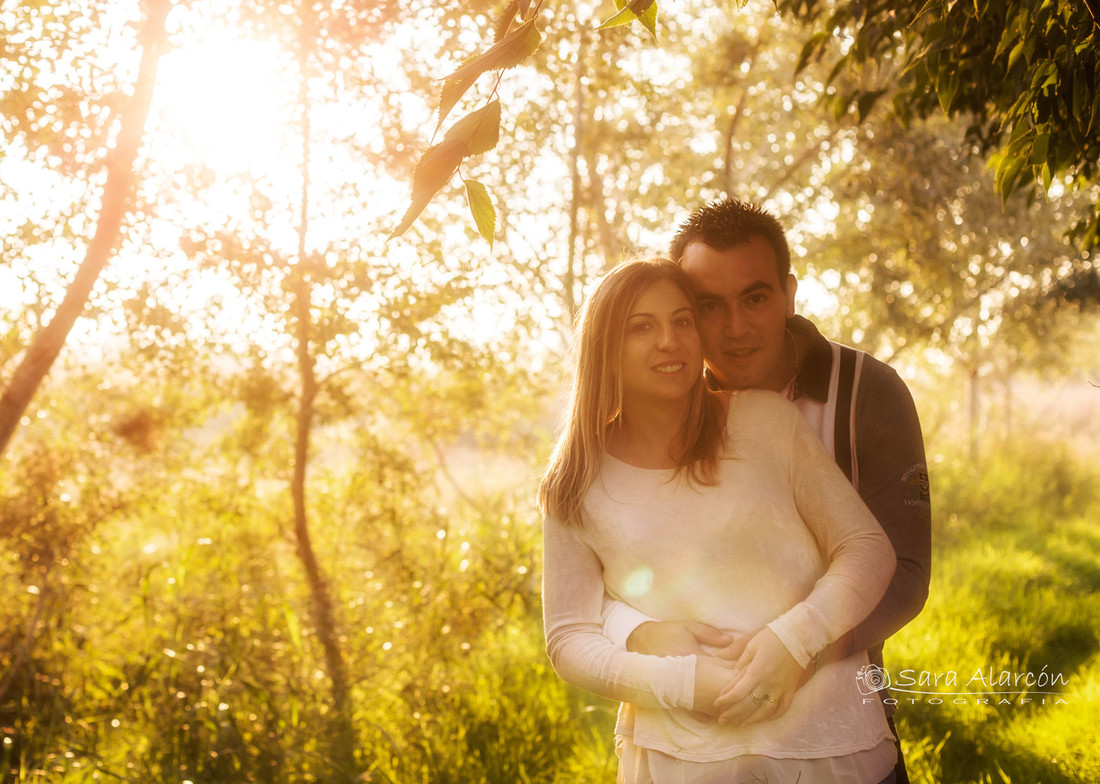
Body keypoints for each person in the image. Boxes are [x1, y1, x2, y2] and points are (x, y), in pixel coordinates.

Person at [601, 198, 932, 783]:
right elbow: (603, 571)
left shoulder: (867, 393)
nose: (735, 329)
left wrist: (800, 650)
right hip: (688, 742)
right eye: (708, 306)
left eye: (755, 297)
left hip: (838, 727)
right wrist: (640, 634)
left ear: (789, 293)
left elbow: (903, 570)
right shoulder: (659, 407)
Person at [540, 258, 899, 783]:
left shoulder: (764, 420)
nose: (669, 340)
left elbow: (867, 547)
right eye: (642, 327)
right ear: (604, 348)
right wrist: (684, 684)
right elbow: (570, 639)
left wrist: (795, 639)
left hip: (829, 748)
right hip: (679, 763)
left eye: (682, 320)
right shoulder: (574, 481)